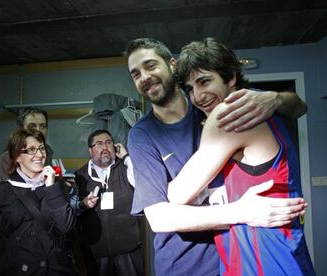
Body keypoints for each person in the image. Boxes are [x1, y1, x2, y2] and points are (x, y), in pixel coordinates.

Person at [123, 38, 308, 275]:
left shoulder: (227, 108)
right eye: (135, 74)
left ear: (172, 65)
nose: (144, 77)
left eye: (150, 66)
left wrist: (277, 98)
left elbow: (300, 107)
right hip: (188, 264)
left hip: (243, 252)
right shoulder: (142, 135)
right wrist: (241, 210)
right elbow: (159, 218)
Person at [0, 129, 77, 276]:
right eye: (31, 150)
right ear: (17, 156)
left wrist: (52, 187)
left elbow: (66, 227)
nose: (40, 155)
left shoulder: (56, 187)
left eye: (41, 148)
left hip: (55, 270)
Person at [74, 129, 143, 276]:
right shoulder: (79, 175)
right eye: (99, 144)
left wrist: (126, 156)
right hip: (96, 252)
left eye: (108, 142)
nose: (105, 147)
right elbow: (72, 210)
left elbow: (142, 182)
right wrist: (83, 205)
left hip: (128, 249)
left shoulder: (125, 168)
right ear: (90, 150)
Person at [0, 107, 53, 181]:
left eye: (43, 126)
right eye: (32, 126)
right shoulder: (6, 158)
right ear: (21, 129)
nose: (38, 130)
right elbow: (8, 190)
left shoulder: (47, 150)